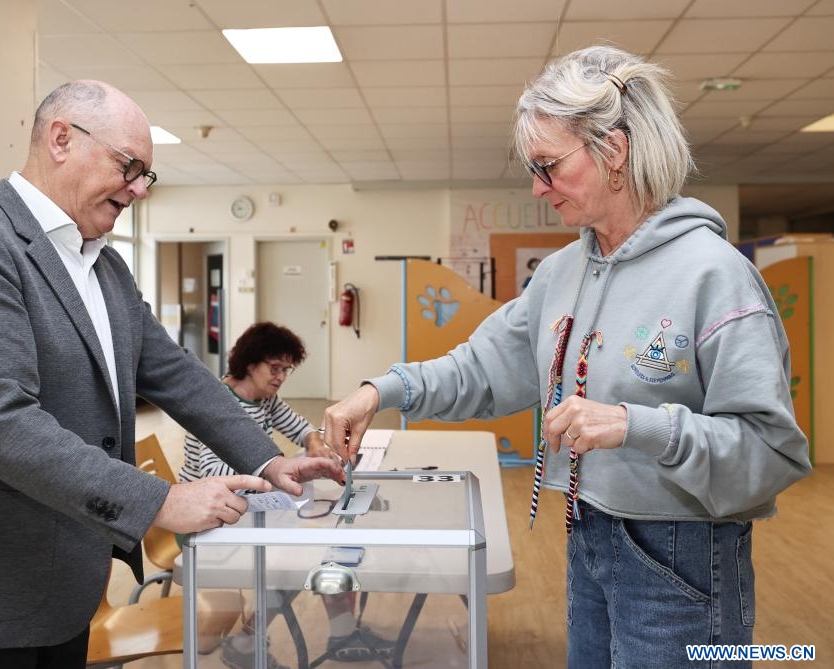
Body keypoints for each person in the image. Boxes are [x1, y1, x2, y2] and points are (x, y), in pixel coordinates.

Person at [322, 45, 812, 669]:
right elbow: (480, 368)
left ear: (615, 150)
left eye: (549, 165)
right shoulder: (562, 273)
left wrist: (637, 425)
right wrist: (378, 392)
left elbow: (771, 452)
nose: (536, 186)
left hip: (682, 554)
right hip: (589, 533)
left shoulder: (716, 276)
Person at [0, 80, 340, 669]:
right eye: (129, 165)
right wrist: (159, 500)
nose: (139, 188)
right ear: (61, 139)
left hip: (63, 589)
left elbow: (176, 374)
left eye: (147, 175)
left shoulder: (104, 264)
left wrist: (268, 459)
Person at [179, 321, 394, 669]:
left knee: (323, 543)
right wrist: (271, 471)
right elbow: (213, 475)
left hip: (243, 509)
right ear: (250, 364)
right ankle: (250, 644)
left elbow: (301, 428)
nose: (280, 376)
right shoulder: (218, 403)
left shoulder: (265, 399)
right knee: (297, 559)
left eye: (286, 369)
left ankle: (334, 633)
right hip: (205, 519)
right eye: (274, 368)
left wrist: (315, 445)